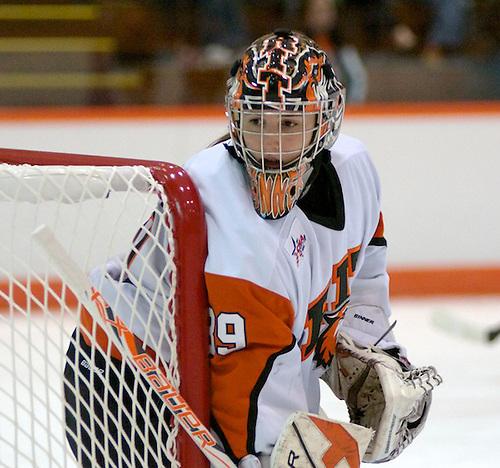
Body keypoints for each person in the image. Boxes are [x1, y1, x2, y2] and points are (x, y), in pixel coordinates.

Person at [64, 29, 439, 467]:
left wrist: (376, 348)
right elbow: (250, 406)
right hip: (125, 384)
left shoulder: (356, 172)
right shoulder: (239, 229)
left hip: (215, 374)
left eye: (290, 123)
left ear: (325, 123)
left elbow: (364, 277)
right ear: (235, 119)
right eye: (257, 121)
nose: (272, 147)